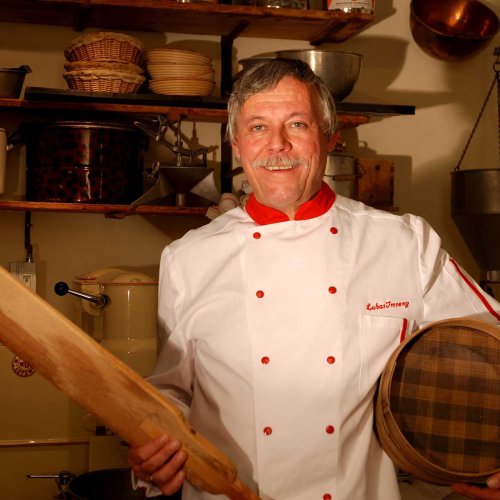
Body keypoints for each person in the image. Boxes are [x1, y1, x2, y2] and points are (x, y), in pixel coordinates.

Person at [128, 59, 500, 500]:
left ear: (329, 137)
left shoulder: (403, 242)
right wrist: (151, 436)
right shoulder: (188, 258)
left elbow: (490, 347)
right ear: (236, 143)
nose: (277, 145)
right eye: (258, 127)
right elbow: (170, 386)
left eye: (297, 124)